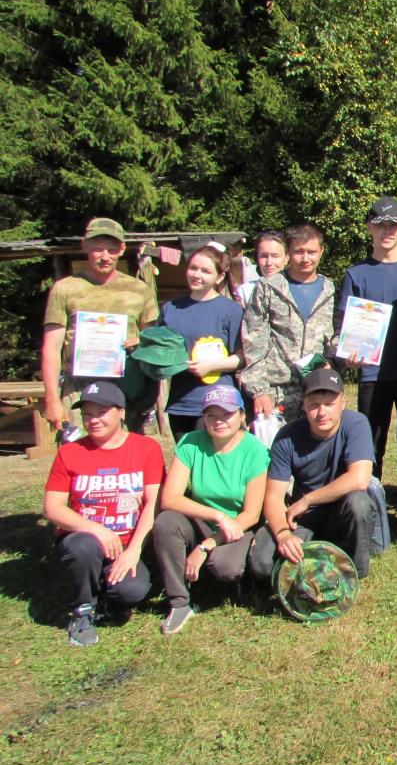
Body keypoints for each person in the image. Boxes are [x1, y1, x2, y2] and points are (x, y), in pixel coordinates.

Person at [42, 381, 165, 646]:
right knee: (83, 546)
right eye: (87, 413)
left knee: (132, 591)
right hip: (84, 540)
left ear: (121, 412)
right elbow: (52, 508)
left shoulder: (146, 449)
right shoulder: (70, 452)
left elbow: (153, 502)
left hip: (126, 543)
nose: (93, 419)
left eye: (101, 412)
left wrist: (134, 550)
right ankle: (82, 609)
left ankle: (107, 594)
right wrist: (97, 530)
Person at [338, 196, 397, 526]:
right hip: (372, 374)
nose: (386, 231)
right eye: (379, 225)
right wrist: (347, 352)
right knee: (371, 445)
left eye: (392, 225)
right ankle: (372, 507)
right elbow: (345, 326)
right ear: (369, 228)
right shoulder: (356, 274)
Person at [154, 385, 270, 634]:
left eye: (226, 414)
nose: (219, 421)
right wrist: (216, 516)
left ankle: (239, 574)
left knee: (225, 567)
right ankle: (179, 601)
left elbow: (251, 514)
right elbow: (170, 498)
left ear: (241, 415)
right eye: (211, 415)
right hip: (202, 519)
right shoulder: (190, 443)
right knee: (166, 521)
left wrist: (205, 546)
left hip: (239, 524)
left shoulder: (255, 451)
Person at [248, 368, 380, 583]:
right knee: (262, 564)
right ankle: (310, 553)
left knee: (359, 502)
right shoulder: (287, 436)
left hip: (341, 510)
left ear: (343, 403)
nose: (322, 413)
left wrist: (308, 499)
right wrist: (282, 534)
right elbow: (273, 496)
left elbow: (360, 478)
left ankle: (354, 571)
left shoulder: (356, 423)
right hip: (303, 518)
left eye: (329, 404)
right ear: (304, 406)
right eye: (314, 406)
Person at [41, 217, 159, 436]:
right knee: (78, 458)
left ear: (122, 249)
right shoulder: (65, 289)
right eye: (98, 249)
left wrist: (142, 343)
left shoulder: (139, 290)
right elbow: (51, 348)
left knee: (124, 459)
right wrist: (51, 399)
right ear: (84, 246)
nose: (105, 257)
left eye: (112, 250)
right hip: (79, 390)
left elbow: (152, 341)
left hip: (125, 388)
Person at [240, 223, 337, 422]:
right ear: (288, 254)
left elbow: (336, 336)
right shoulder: (268, 288)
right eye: (298, 252)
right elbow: (253, 341)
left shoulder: (330, 290)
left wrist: (336, 362)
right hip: (276, 391)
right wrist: (260, 391)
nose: (305, 258)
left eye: (311, 252)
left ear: (321, 252)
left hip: (317, 390)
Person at [158, 246, 244, 441]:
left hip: (219, 403)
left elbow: (241, 358)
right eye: (193, 268)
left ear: (219, 277)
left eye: (206, 271)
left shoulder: (231, 311)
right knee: (188, 463)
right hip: (181, 402)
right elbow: (161, 351)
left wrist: (211, 366)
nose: (197, 275)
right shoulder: (170, 309)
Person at [235, 231, 287, 307]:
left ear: (287, 258)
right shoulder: (245, 292)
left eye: (275, 256)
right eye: (264, 256)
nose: (269, 263)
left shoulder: (298, 290)